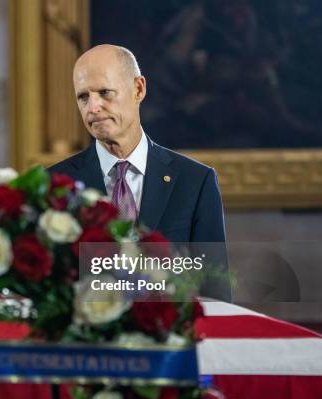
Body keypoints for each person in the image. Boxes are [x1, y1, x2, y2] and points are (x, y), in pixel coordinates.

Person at [48, 44, 231, 301]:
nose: (93, 107)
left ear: (138, 89)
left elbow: (216, 289)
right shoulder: (55, 184)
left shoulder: (195, 181)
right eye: (83, 97)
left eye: (104, 92)